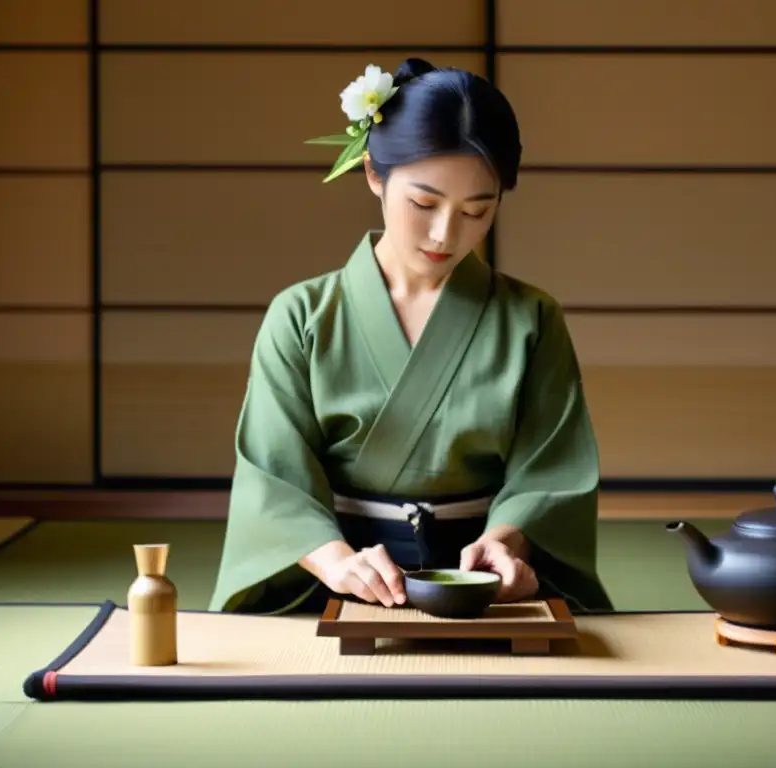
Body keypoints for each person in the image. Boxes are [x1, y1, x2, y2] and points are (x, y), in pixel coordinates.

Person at [208, 58, 614, 616]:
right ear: (375, 174)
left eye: (478, 210)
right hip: (339, 582)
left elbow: (551, 470)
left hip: (485, 586)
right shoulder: (301, 315)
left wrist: (507, 542)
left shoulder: (531, 319)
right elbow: (273, 478)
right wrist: (335, 562)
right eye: (423, 204)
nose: (447, 234)